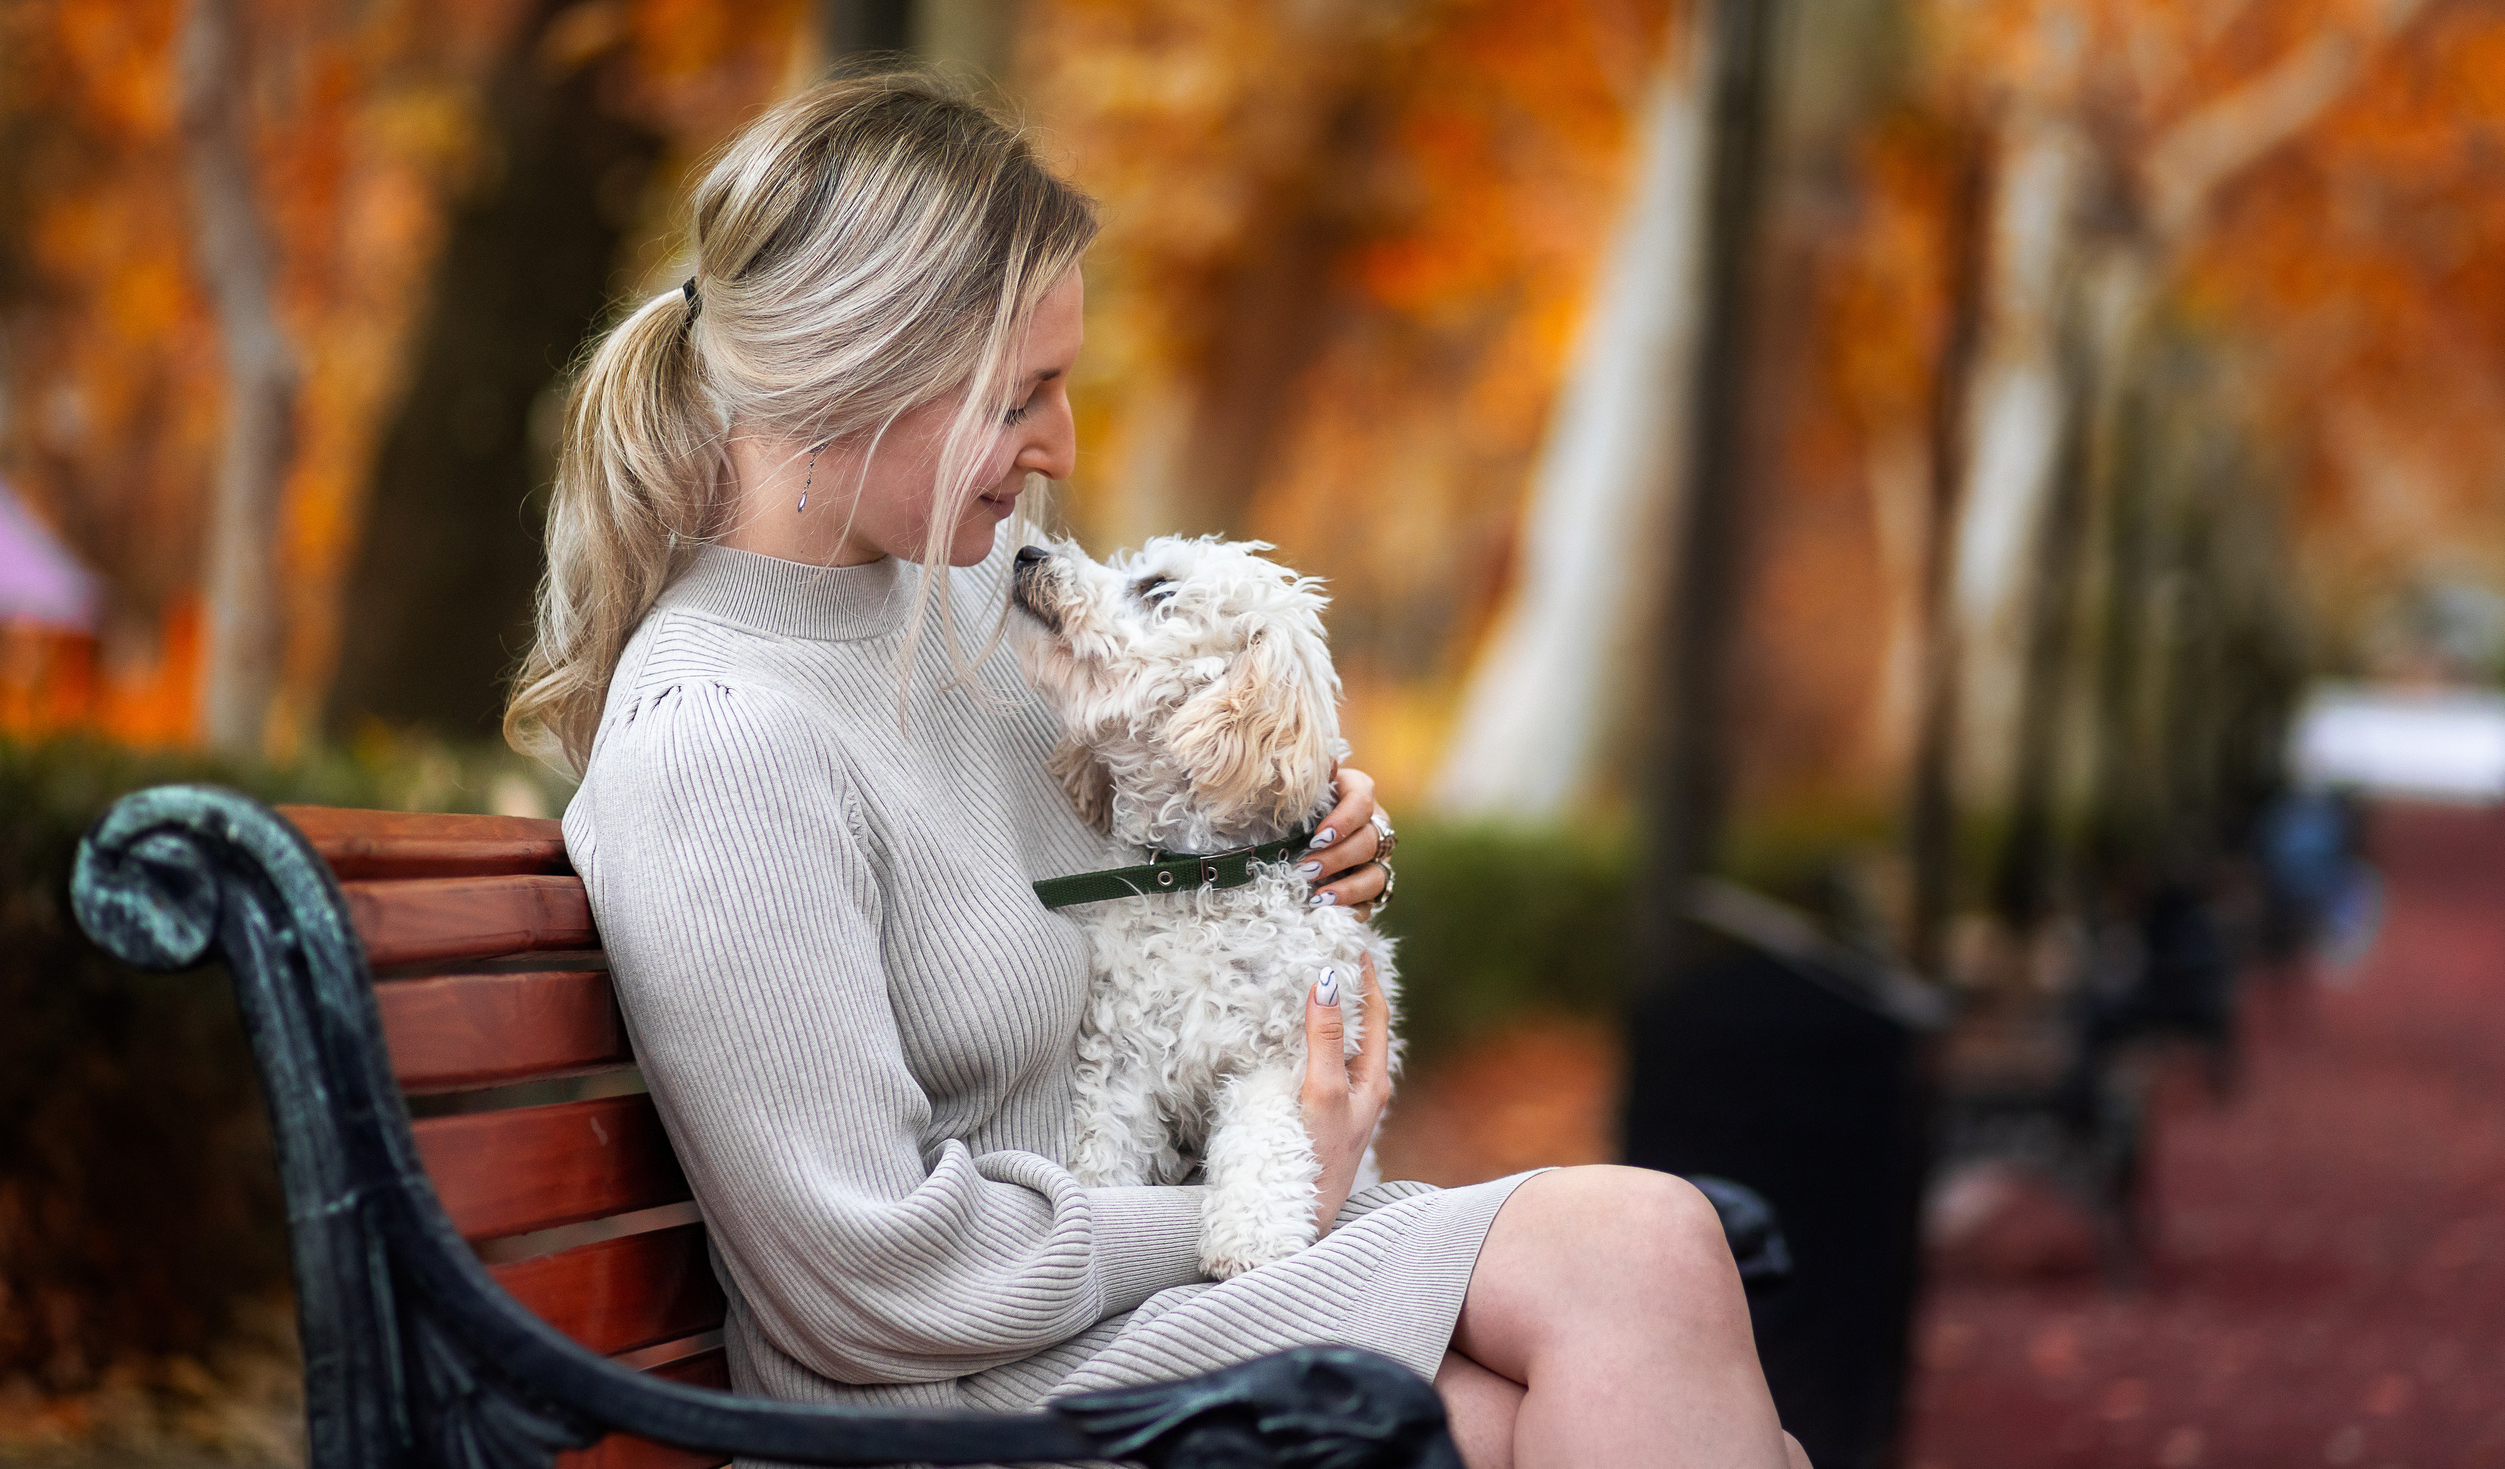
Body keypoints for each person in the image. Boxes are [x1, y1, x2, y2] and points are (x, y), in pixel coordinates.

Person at [506, 72, 1806, 1469]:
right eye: (1026, 395)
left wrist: (1283, 841)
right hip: (957, 1387)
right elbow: (872, 1283)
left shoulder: (970, 602)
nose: (1060, 447)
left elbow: (1146, 864)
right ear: (854, 377)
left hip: (1113, 1282)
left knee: (1654, 1267)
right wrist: (1256, 1196)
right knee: (1607, 1358)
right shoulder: (720, 740)